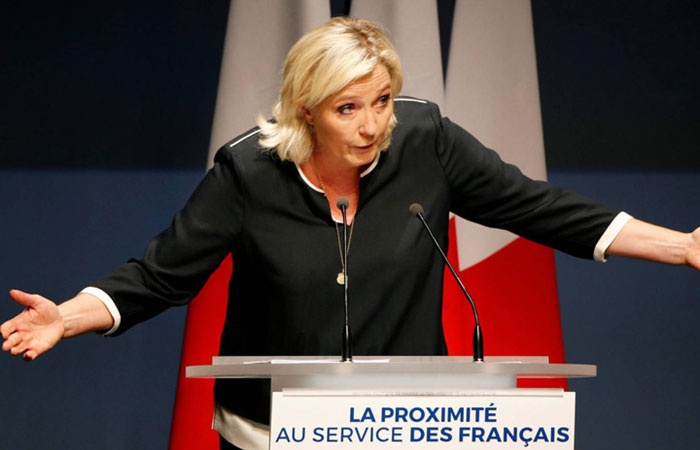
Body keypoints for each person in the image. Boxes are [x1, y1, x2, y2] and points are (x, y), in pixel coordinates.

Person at [2, 17, 699, 450]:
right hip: (272, 430)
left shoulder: (425, 141)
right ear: (307, 109)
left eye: (383, 101)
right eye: (348, 108)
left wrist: (683, 246)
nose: (372, 126)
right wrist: (67, 316)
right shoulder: (249, 172)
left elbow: (539, 209)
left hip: (403, 425)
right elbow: (160, 275)